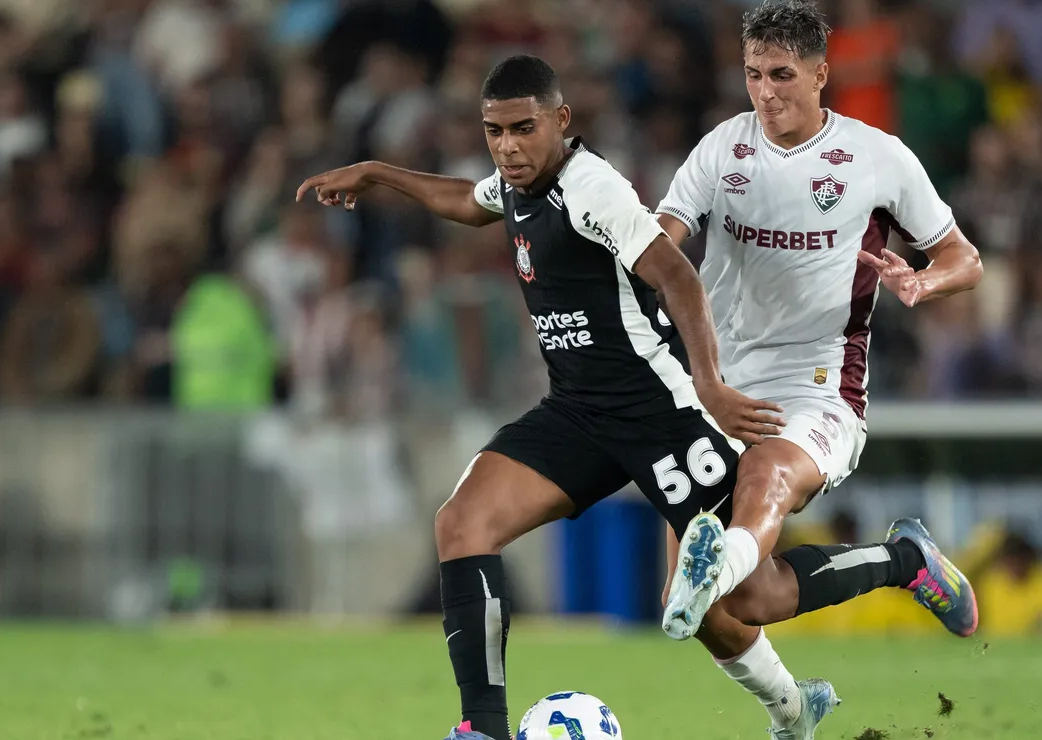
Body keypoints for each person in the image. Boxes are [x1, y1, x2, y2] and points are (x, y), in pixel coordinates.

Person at [297, 55, 818, 740]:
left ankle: (897, 568)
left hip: (659, 412)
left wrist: (711, 386)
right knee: (462, 525)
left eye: (523, 128)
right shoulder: (516, 182)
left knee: (737, 598)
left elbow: (677, 277)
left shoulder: (592, 188)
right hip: (579, 411)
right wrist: (379, 175)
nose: (508, 147)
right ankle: (481, 729)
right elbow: (468, 202)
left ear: (561, 120)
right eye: (494, 131)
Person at [655, 1, 984, 736]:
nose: (765, 93)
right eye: (752, 75)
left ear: (821, 74)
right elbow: (665, 239)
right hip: (717, 383)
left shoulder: (878, 157)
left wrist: (924, 282)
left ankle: (718, 559)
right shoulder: (722, 150)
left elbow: (964, 258)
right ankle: (896, 569)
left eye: (782, 75)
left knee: (766, 473)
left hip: (819, 388)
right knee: (729, 608)